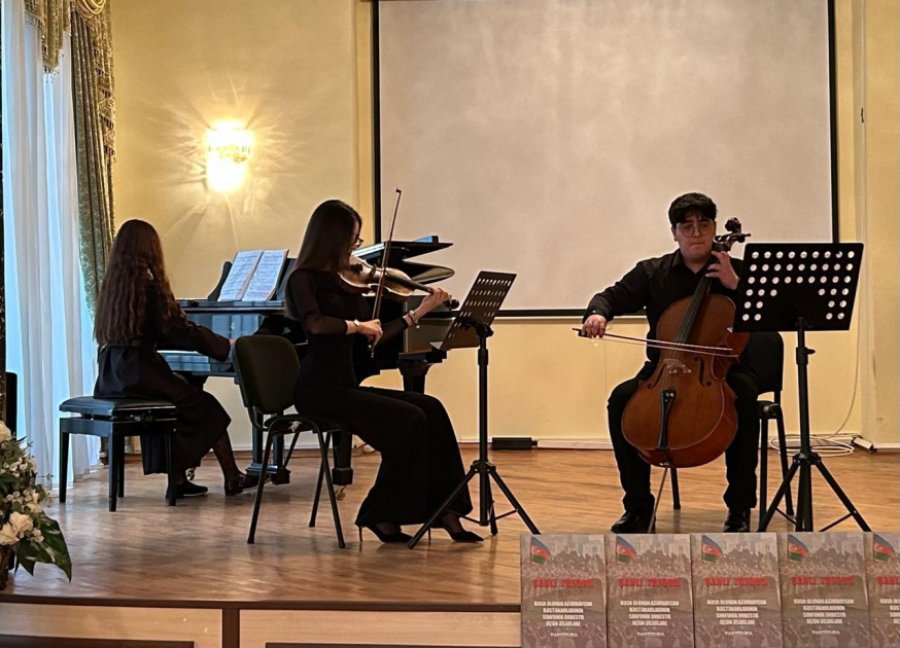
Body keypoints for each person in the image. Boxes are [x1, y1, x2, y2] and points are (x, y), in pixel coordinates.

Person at [285, 199, 481, 544]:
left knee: (431, 408)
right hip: (319, 390)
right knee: (409, 419)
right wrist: (356, 325)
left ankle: (447, 510)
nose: (355, 247)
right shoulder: (303, 279)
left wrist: (419, 312)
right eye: (353, 239)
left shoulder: (347, 282)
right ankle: (380, 514)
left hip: (345, 385)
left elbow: (373, 335)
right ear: (332, 238)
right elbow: (315, 324)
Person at [581, 192, 760, 533]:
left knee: (744, 401)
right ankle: (638, 507)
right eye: (686, 226)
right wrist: (597, 314)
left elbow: (771, 315)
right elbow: (609, 297)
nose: (696, 233)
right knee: (621, 400)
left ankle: (739, 507)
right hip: (664, 368)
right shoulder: (653, 272)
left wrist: (736, 285)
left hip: (725, 369)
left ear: (714, 229)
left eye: (704, 224)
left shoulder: (737, 271)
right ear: (674, 232)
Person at [93, 219, 256, 499]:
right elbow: (177, 330)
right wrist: (223, 345)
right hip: (140, 374)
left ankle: (178, 479)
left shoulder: (113, 288)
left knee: (181, 397)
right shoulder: (149, 286)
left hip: (113, 374)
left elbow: (155, 331)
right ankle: (232, 477)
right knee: (207, 407)